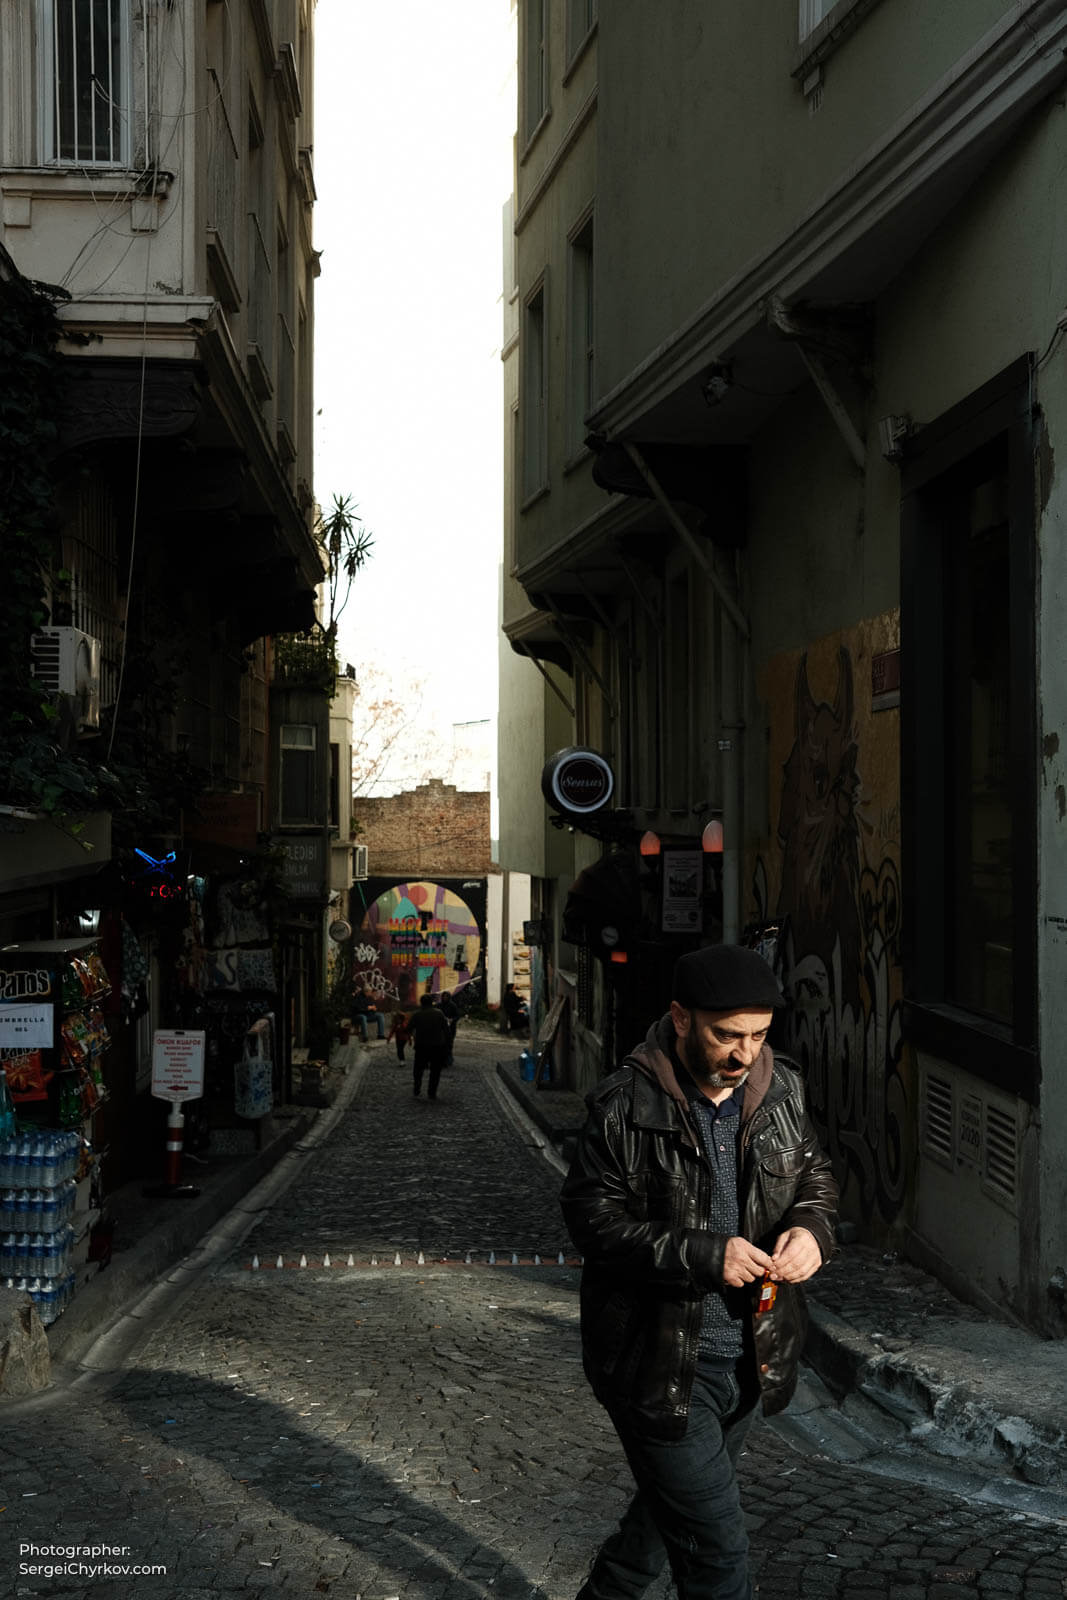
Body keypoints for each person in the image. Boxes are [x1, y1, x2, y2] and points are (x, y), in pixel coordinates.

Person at [561, 943, 838, 1600]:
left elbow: (813, 1178)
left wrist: (812, 1231)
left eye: (758, 1036)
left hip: (752, 1356)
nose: (743, 1054)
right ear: (680, 1019)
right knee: (717, 1556)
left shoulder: (781, 1089)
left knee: (661, 1525)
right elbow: (593, 1224)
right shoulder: (622, 1104)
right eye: (726, 1035)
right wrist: (706, 1254)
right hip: (657, 1366)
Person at [407, 992, 451, 1099]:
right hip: (437, 1046)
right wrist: (447, 1044)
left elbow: (408, 1029)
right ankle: (432, 1092)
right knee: (435, 1071)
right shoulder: (439, 1013)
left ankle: (417, 1088)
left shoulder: (417, 1014)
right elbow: (447, 1031)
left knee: (418, 1069)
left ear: (421, 1003)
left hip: (421, 1045)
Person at [439, 990, 460, 1063]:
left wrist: (452, 1020)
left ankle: (449, 1059)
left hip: (451, 1028)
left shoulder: (453, 1005)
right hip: (441, 1028)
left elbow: (457, 1016)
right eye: (443, 996)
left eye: (446, 996)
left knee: (449, 1044)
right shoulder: (439, 1005)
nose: (445, 998)